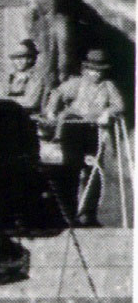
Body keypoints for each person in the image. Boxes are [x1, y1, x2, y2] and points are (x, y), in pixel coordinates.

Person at [43, 48, 128, 225]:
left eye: (99, 71)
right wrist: (51, 111)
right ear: (85, 69)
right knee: (70, 170)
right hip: (72, 131)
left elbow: (120, 105)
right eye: (92, 70)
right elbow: (57, 93)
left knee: (94, 172)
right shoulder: (76, 83)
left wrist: (108, 112)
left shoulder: (108, 86)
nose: (95, 74)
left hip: (93, 132)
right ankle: (68, 215)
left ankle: (89, 214)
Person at [1, 38, 51, 115]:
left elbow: (30, 102)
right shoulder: (9, 78)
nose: (18, 61)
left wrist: (6, 101)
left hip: (28, 117)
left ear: (31, 59)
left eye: (23, 57)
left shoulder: (37, 78)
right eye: (16, 58)